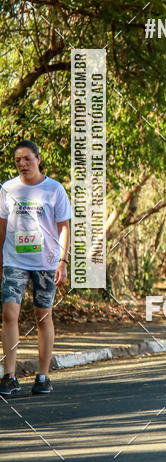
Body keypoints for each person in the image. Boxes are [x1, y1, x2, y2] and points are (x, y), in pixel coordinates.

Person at [0, 141, 71, 396]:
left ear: (39, 159)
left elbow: (64, 228)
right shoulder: (7, 189)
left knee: (43, 317)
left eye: (27, 159)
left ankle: (43, 376)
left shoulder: (54, 190)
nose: (22, 164)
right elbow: (2, 226)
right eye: (18, 159)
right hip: (14, 261)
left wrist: (63, 261)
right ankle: (9, 376)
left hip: (46, 263)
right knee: (9, 314)